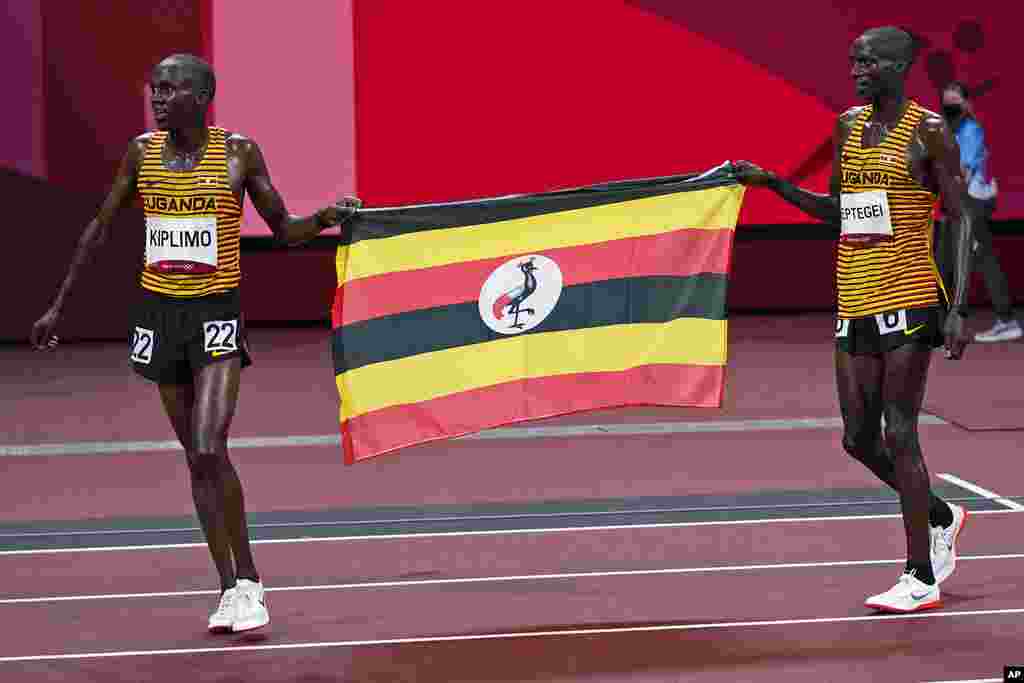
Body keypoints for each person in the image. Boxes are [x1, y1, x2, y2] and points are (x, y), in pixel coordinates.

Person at [29, 54, 359, 632]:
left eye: (170, 89)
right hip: (159, 316)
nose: (157, 99)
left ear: (203, 96)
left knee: (210, 447)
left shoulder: (239, 154)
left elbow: (284, 230)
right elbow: (100, 228)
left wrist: (330, 215)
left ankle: (252, 582)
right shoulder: (140, 153)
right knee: (194, 459)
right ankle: (227, 588)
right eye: (153, 88)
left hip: (216, 314)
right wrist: (60, 303)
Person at [734, 26, 971, 613]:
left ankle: (920, 576)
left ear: (898, 66)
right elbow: (839, 212)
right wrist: (773, 184)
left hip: (911, 294)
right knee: (858, 438)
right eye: (852, 62)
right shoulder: (848, 127)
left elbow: (961, 218)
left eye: (867, 62)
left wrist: (960, 305)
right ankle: (940, 515)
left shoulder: (930, 132)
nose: (856, 71)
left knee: (901, 430)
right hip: (855, 297)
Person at [937, 81, 1020, 342]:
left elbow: (964, 173)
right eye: (946, 103)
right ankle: (943, 324)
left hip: (971, 203)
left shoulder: (970, 130)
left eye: (954, 102)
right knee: (948, 260)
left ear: (965, 104)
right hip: (960, 203)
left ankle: (1006, 320)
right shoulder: (950, 131)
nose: (949, 107)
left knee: (973, 260)